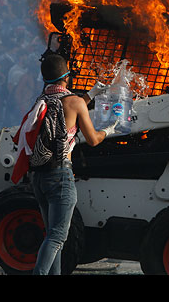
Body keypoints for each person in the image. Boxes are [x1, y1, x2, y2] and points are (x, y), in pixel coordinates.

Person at [13, 53, 115, 275]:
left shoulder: (41, 102)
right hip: (60, 177)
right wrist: (109, 130)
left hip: (39, 178)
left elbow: (66, 109)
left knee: (52, 236)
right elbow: (93, 139)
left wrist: (90, 95)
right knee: (58, 237)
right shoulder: (74, 102)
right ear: (66, 77)